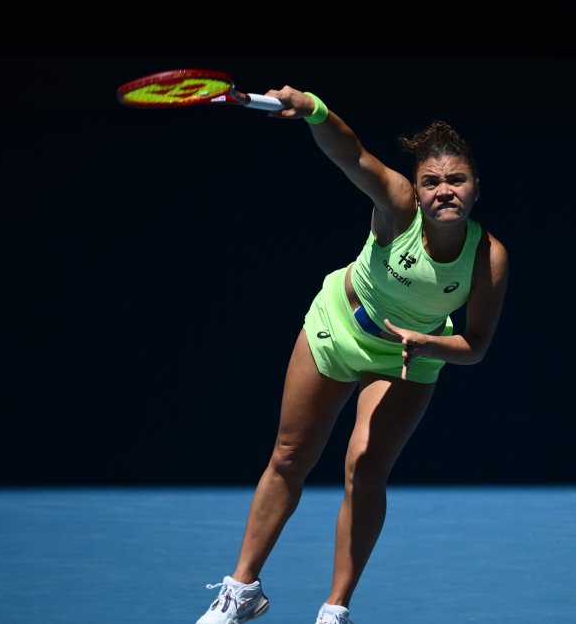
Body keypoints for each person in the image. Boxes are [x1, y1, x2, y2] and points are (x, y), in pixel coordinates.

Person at [196, 86, 510, 624]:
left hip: (411, 357)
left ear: (477, 187)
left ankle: (334, 609)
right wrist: (314, 108)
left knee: (364, 470)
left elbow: (476, 347)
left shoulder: (489, 258)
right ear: (417, 187)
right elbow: (351, 153)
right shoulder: (396, 206)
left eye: (456, 179)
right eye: (431, 181)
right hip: (339, 326)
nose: (443, 191)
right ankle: (242, 591)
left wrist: (431, 344)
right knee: (290, 456)